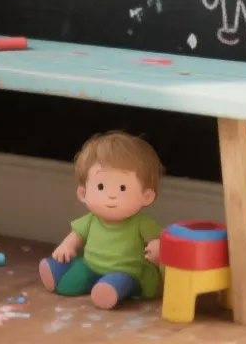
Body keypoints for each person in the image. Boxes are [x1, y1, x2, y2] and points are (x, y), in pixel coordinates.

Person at [40, 131, 166, 309]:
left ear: (146, 196)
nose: (111, 196)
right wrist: (66, 246)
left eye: (122, 188)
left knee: (118, 282)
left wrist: (159, 250)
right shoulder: (91, 220)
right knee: (69, 284)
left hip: (127, 273)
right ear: (83, 193)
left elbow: (162, 243)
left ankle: (109, 291)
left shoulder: (142, 223)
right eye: (101, 187)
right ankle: (58, 271)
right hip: (91, 265)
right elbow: (76, 235)